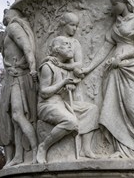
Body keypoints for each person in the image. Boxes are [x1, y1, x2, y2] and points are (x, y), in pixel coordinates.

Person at [74, 0, 134, 159]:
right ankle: (122, 148)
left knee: (133, 107)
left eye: (115, 3)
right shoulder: (116, 24)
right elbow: (105, 49)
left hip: (132, 68)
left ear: (125, 2)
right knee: (114, 108)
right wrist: (88, 69)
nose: (112, 7)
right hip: (114, 70)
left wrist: (122, 56)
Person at [37, 36, 99, 164]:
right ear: (57, 49)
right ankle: (44, 146)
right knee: (71, 122)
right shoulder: (48, 67)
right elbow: (44, 92)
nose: (70, 47)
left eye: (70, 44)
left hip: (61, 102)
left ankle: (85, 149)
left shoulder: (63, 67)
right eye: (66, 44)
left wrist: (68, 85)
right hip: (47, 105)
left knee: (92, 109)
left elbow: (68, 83)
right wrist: (62, 83)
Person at [0, 8, 38, 167]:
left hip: (19, 78)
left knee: (17, 115)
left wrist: (32, 68)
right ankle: (19, 156)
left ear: (12, 14)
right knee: (15, 120)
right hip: (13, 77)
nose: (4, 14)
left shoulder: (14, 27)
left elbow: (27, 48)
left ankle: (35, 150)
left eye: (6, 12)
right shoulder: (10, 29)